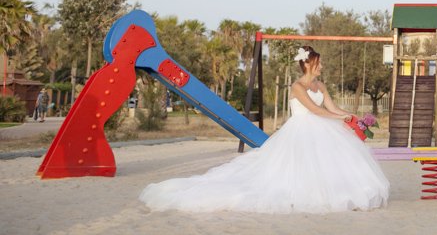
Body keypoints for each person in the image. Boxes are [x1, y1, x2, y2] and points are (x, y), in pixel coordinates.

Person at [140, 46, 390, 213]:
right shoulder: (297, 87)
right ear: (309, 64)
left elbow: (331, 107)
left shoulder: (320, 85)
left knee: (328, 163)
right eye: (319, 63)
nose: (322, 66)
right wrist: (338, 119)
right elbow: (315, 112)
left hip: (323, 128)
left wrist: (350, 116)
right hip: (302, 130)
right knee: (295, 167)